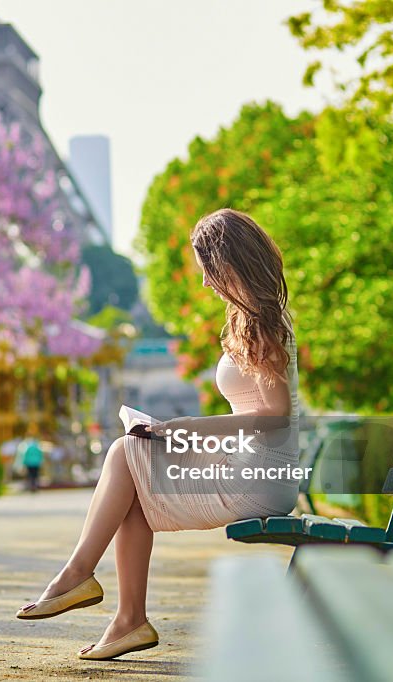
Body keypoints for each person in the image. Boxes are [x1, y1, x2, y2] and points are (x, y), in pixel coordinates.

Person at [15, 208, 300, 660]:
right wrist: (174, 434)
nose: (206, 283)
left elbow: (276, 415)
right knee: (132, 458)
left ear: (229, 263)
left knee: (128, 454)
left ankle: (86, 580)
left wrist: (188, 429)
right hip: (250, 466)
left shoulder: (261, 320)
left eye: (208, 270)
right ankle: (123, 615)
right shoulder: (251, 317)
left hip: (259, 482)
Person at [15, 426, 44, 493]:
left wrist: (22, 463)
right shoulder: (36, 443)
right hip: (36, 462)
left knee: (30, 474)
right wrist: (41, 460)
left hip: (29, 462)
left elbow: (23, 454)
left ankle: (31, 486)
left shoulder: (26, 444)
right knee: (35, 474)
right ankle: (35, 486)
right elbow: (40, 453)